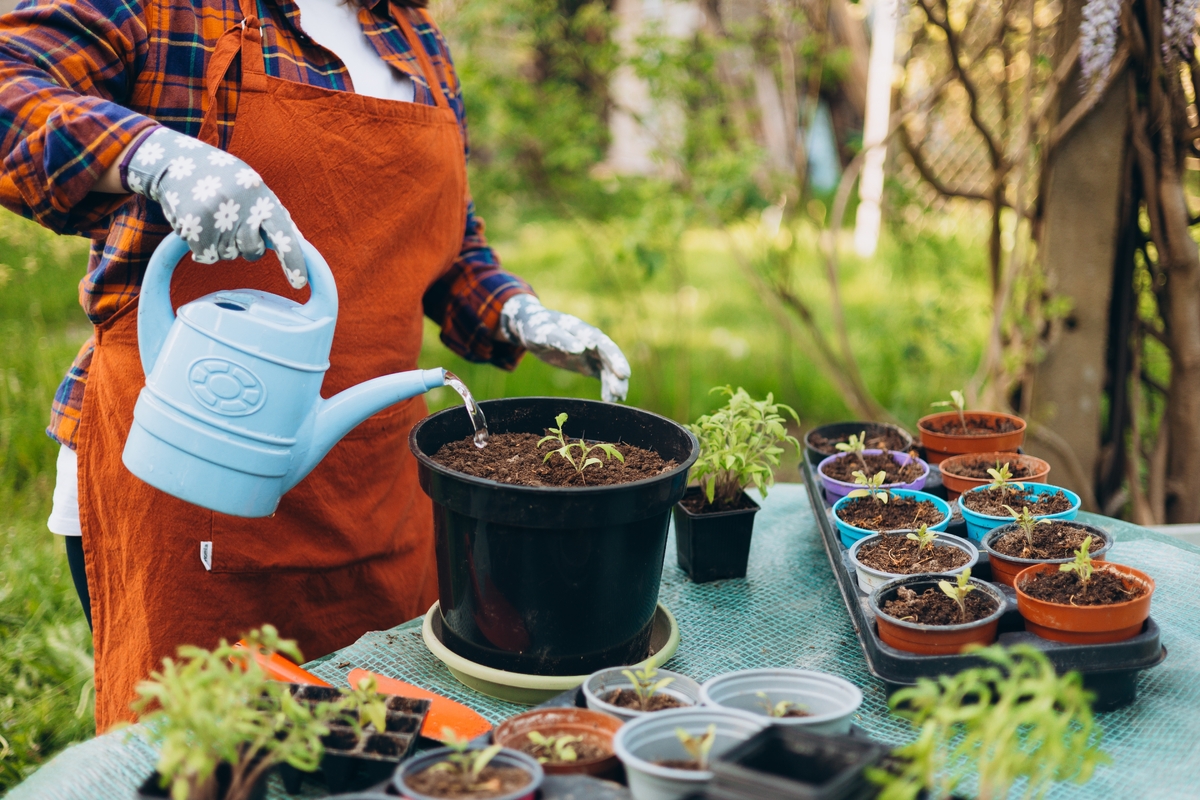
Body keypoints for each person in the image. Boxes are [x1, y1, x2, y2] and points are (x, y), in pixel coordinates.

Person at [0, 0, 631, 731]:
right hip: (194, 465)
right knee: (206, 754)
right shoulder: (169, 10)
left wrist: (517, 313)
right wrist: (155, 155)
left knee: (388, 741)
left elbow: (442, 243)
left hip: (375, 489)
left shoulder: (411, 35)